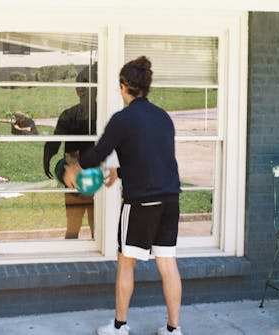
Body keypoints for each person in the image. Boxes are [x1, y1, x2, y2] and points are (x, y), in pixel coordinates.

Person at [63, 56, 183, 335]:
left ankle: (119, 326)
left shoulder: (123, 118)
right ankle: (173, 329)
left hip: (141, 202)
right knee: (168, 264)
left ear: (124, 86)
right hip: (170, 200)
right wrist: (120, 170)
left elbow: (97, 153)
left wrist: (75, 169)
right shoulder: (163, 118)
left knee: (126, 262)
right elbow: (151, 156)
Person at [43, 64, 97, 239]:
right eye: (78, 84)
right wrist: (47, 157)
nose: (81, 88)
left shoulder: (104, 114)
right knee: (73, 224)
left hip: (97, 174)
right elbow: (55, 140)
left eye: (86, 84)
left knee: (98, 225)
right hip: (73, 174)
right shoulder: (69, 114)